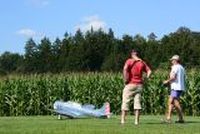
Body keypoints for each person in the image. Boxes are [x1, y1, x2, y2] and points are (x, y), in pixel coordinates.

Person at [121, 49, 151, 125]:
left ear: (132, 54)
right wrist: (146, 79)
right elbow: (149, 71)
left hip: (130, 84)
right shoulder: (142, 62)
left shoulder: (129, 61)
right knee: (137, 103)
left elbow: (125, 69)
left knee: (125, 102)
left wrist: (125, 80)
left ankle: (123, 121)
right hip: (139, 85)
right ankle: (136, 121)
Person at [163, 55, 185, 123]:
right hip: (180, 87)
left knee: (175, 102)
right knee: (171, 102)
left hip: (175, 87)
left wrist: (167, 81)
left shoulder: (175, 67)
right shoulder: (181, 67)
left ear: (175, 60)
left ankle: (180, 118)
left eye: (172, 60)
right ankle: (169, 117)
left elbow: (173, 77)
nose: (171, 61)